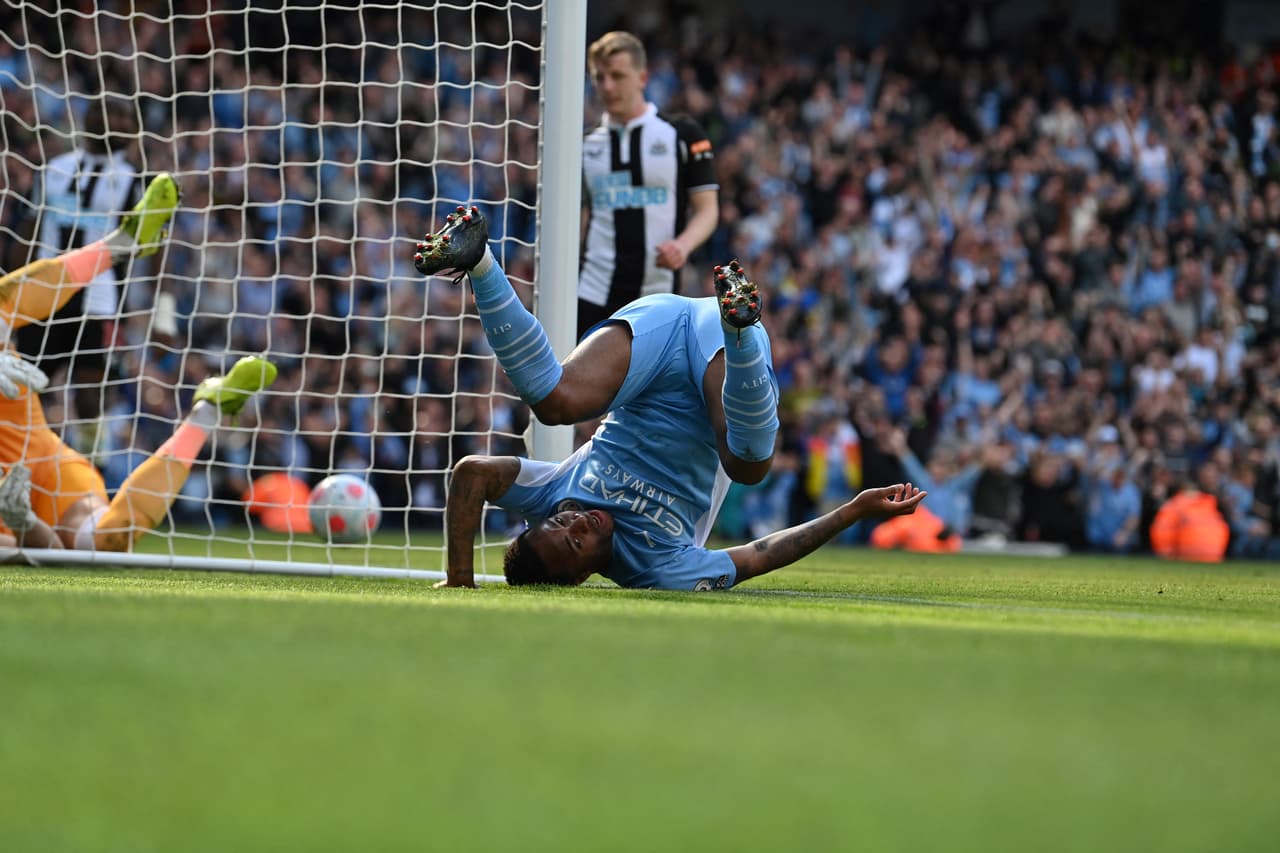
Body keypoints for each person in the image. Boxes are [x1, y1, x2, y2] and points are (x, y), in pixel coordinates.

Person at [413, 207, 927, 589]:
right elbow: (758, 555)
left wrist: (461, 577)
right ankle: (743, 329)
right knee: (748, 464)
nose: (576, 524)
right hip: (721, 359)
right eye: (576, 543)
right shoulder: (657, 568)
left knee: (555, 403)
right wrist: (852, 511)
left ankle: (479, 263)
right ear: (584, 574)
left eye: (559, 522)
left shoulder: (552, 494)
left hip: (659, 336)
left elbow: (471, 474)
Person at [0, 174, 280, 553]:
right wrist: (25, 523)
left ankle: (120, 244)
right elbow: (44, 553)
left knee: (111, 532)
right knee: (103, 546)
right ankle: (208, 412)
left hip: (46, 461)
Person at [15, 94, 150, 425]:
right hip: (44, 293)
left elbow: (148, 251)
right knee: (28, 386)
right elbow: (28, 230)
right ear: (90, 116)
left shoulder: (134, 181)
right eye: (113, 114)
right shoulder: (53, 170)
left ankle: (95, 466)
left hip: (99, 299)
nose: (120, 124)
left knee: (91, 396)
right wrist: (12, 286)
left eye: (127, 119)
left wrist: (157, 311)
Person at [577, 31, 720, 340]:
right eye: (599, 77)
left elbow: (707, 210)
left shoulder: (682, 134)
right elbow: (578, 220)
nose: (608, 86)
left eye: (617, 76)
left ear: (642, 77)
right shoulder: (585, 145)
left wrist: (682, 245)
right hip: (592, 294)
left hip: (657, 299)